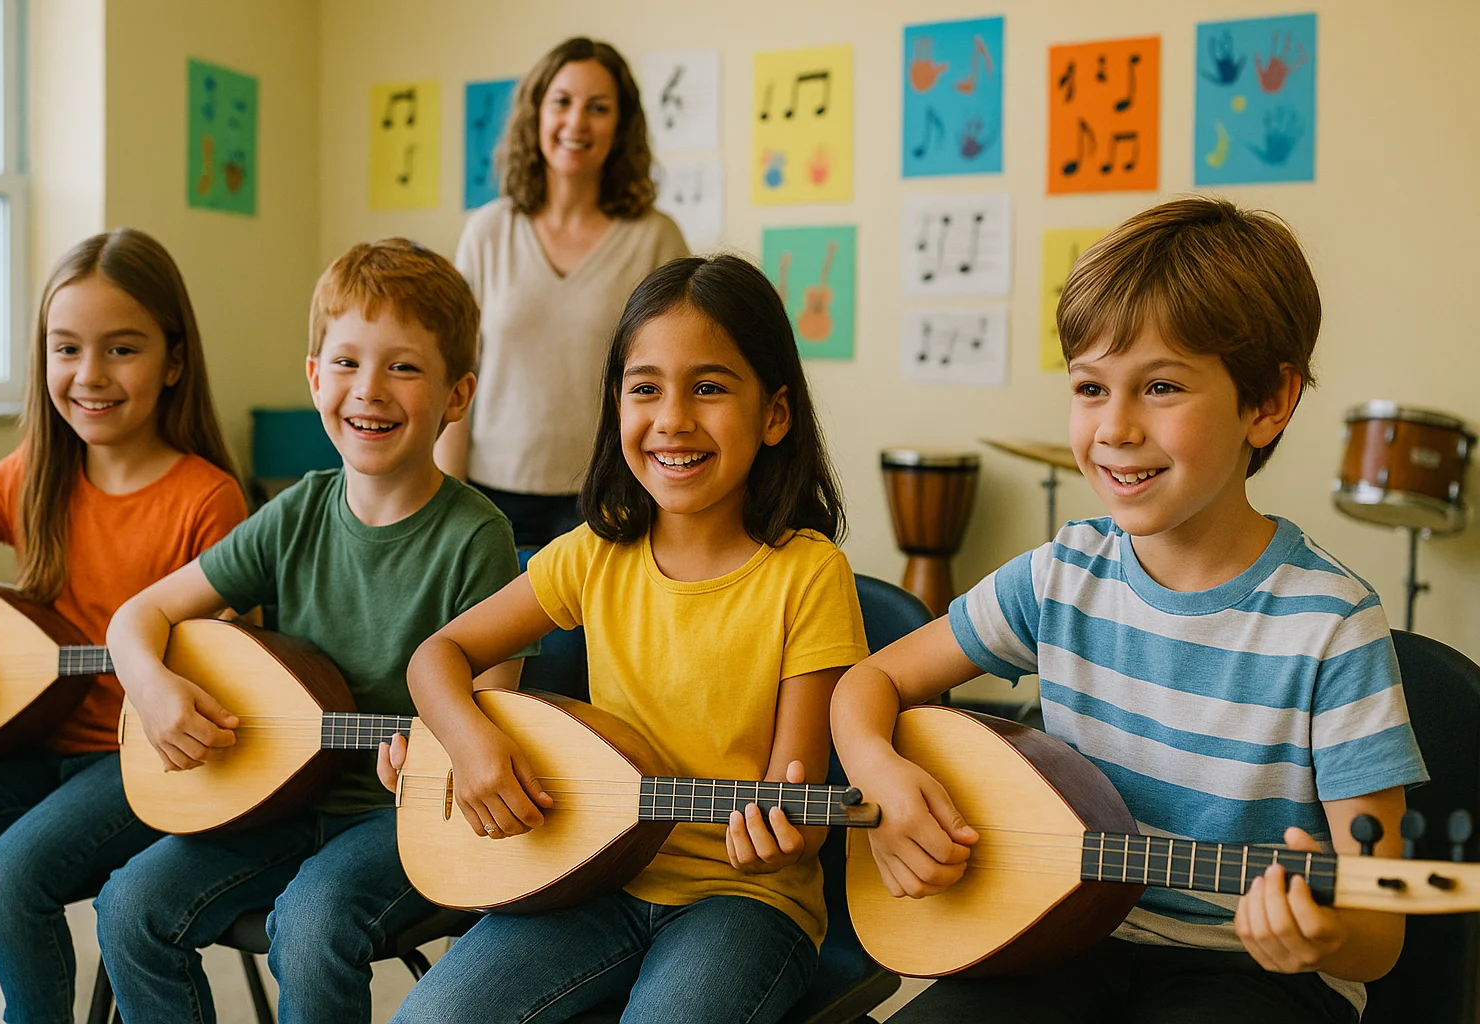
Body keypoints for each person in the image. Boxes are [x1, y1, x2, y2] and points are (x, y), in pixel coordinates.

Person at [831, 196, 1428, 1024]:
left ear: (1268, 403)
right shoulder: (1061, 575)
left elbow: (1382, 926)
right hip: (1057, 935)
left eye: (1161, 386)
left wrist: (1326, 935)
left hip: (1251, 976)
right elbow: (868, 683)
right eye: (1090, 387)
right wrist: (882, 777)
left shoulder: (1332, 627)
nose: (1114, 427)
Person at [386, 254, 868, 1024]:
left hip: (744, 898)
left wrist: (784, 837)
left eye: (708, 387)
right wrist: (473, 743)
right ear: (617, 407)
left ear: (775, 414)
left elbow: (799, 813)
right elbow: (437, 657)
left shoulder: (810, 575)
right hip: (592, 876)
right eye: (645, 388)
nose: (672, 418)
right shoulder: (593, 553)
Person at [96, 239, 527, 1024]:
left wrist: (442, 760)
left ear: (457, 394)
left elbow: (497, 718)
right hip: (277, 796)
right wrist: (152, 689)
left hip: (400, 816)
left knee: (311, 923)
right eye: (347, 362)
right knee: (129, 905)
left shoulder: (478, 539)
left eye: (403, 366)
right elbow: (138, 617)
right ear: (314, 376)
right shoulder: (295, 513)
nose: (369, 390)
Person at [0, 229, 247, 1024]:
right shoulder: (28, 475)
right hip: (22, 744)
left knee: (12, 881)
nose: (89, 376)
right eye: (66, 348)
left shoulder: (207, 501)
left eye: (121, 349)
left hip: (139, 763)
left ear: (173, 362)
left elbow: (231, 666)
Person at [436, 36, 689, 547]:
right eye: (563, 102)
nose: (577, 123)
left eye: (598, 108)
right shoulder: (488, 231)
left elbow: (676, 372)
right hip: (488, 498)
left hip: (613, 491)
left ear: (621, 127)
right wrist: (445, 495)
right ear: (536, 113)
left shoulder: (656, 237)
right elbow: (456, 371)